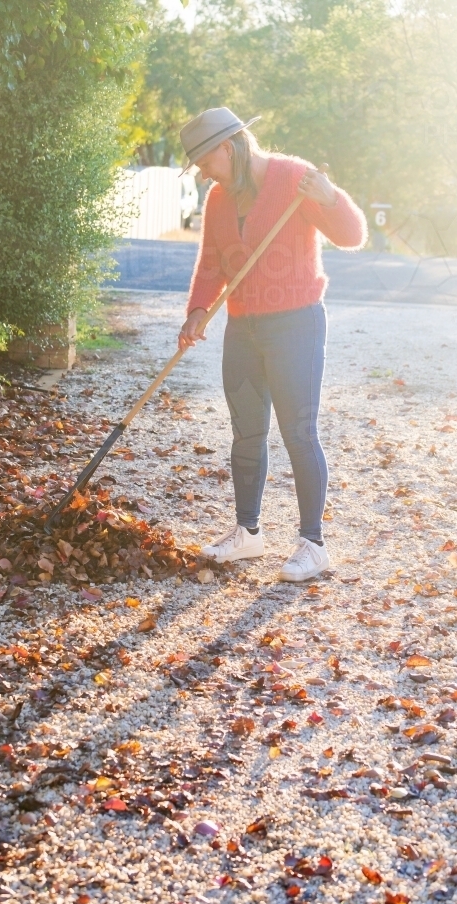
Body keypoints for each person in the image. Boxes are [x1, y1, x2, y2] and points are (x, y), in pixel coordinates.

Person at [177, 107, 367, 582]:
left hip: (295, 325)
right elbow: (212, 263)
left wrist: (331, 198)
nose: (203, 172)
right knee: (246, 432)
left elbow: (352, 235)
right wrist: (198, 310)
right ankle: (248, 532)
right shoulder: (220, 198)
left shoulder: (294, 179)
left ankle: (312, 543)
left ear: (229, 146)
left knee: (298, 432)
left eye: (204, 160)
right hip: (243, 328)